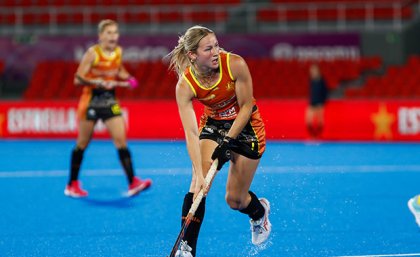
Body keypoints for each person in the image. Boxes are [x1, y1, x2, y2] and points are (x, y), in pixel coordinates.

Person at [168, 25, 271, 257]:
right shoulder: (184, 86)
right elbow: (192, 134)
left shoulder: (234, 64)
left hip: (247, 128)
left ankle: (259, 213)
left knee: (235, 200)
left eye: (216, 45)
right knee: (198, 183)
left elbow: (246, 106)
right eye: (208, 48)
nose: (215, 52)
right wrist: (200, 173)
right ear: (193, 55)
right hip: (214, 124)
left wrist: (228, 141)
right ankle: (187, 249)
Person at [64, 19, 152, 198]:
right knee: (82, 144)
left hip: (109, 100)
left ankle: (133, 182)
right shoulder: (92, 53)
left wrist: (128, 78)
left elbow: (118, 70)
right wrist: (95, 81)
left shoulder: (118, 52)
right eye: (109, 33)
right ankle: (72, 184)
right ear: (101, 36)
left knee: (121, 141)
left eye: (115, 33)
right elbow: (77, 78)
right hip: (91, 100)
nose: (113, 36)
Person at [305, 63, 329, 139]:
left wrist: (322, 103)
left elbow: (325, 92)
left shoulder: (322, 80)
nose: (312, 72)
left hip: (320, 103)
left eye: (314, 70)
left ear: (318, 71)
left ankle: (318, 136)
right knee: (308, 119)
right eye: (311, 70)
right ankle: (312, 135)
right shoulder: (311, 80)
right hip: (312, 102)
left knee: (320, 120)